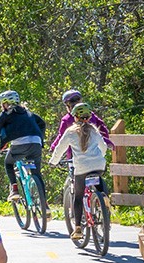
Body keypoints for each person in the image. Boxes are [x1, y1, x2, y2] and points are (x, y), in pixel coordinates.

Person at [48, 102, 115, 240]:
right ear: (89, 117)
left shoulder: (71, 132)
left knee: (78, 197)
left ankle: (78, 228)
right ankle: (102, 197)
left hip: (81, 168)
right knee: (99, 181)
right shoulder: (94, 130)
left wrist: (53, 162)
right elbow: (103, 146)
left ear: (75, 117)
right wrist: (99, 157)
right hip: (98, 165)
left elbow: (60, 149)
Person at [0, 90, 47, 203]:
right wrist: (40, 138)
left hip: (19, 145)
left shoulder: (6, 114)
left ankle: (14, 189)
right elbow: (42, 124)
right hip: (36, 144)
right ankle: (45, 205)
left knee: (8, 163)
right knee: (36, 173)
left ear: (5, 103)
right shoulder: (28, 112)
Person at [48, 89, 110, 157]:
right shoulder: (90, 115)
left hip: (75, 156)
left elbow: (61, 136)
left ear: (67, 106)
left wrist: (53, 147)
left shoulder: (66, 119)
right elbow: (102, 128)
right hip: (94, 153)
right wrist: (106, 141)